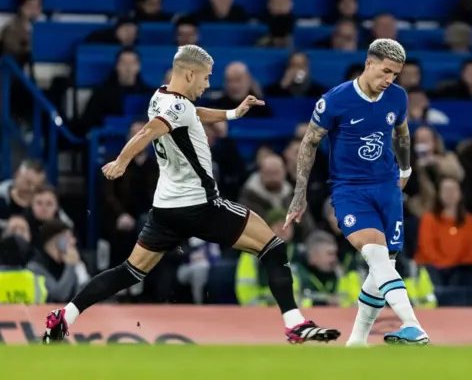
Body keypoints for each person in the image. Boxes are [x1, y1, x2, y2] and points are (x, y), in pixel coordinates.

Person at [42, 45, 340, 345]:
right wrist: (122, 161)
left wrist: (233, 113)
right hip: (200, 206)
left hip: (165, 210)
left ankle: (65, 317)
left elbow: (191, 114)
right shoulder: (177, 108)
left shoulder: (161, 97)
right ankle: (295, 323)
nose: (209, 84)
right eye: (206, 78)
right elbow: (149, 131)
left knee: (130, 271)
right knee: (273, 247)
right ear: (189, 73)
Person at [284, 39, 429, 346]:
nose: (389, 80)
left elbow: (401, 133)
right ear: (369, 63)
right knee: (376, 256)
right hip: (350, 190)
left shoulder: (397, 97)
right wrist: (300, 193)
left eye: (395, 74)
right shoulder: (335, 100)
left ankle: (357, 340)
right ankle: (413, 324)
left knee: (383, 265)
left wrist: (405, 170)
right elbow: (309, 142)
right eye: (386, 71)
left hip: (387, 186)